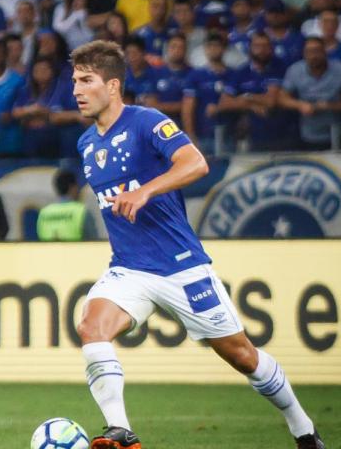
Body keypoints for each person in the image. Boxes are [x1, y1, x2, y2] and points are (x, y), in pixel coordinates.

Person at [67, 40, 325, 449]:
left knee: (243, 356)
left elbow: (196, 163)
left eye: (86, 80)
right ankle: (121, 432)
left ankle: (304, 428)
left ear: (113, 85)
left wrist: (145, 191)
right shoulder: (86, 144)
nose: (77, 90)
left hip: (181, 267)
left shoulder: (147, 122)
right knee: (91, 327)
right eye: (75, 81)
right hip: (129, 268)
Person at [36, 169, 92, 241]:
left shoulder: (44, 212)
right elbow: (92, 242)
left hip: (48, 252)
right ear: (73, 187)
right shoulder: (81, 211)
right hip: (75, 251)